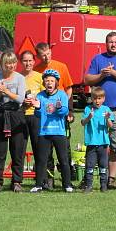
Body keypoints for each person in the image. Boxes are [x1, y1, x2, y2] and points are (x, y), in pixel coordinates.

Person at [85, 31, 116, 188]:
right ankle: (94, 178)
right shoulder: (98, 59)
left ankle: (111, 178)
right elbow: (87, 79)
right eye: (110, 42)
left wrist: (113, 72)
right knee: (97, 142)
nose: (113, 44)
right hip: (98, 109)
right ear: (106, 43)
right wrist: (101, 75)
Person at [34, 42, 75, 186]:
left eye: (48, 54)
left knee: (64, 150)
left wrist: (67, 109)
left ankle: (68, 180)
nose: (46, 58)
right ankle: (48, 179)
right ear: (38, 56)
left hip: (60, 110)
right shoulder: (37, 69)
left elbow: (69, 89)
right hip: (44, 113)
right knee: (46, 152)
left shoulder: (61, 66)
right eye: (43, 55)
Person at [0, 51, 26, 193]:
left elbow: (20, 99)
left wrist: (6, 91)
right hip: (1, 114)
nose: (11, 65)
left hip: (16, 114)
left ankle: (16, 181)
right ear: (2, 64)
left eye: (13, 62)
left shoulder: (20, 78)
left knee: (17, 149)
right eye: (8, 63)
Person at [31, 69, 72, 193]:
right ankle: (38, 185)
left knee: (63, 159)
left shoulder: (62, 95)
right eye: (47, 80)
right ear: (44, 82)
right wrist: (37, 108)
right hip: (44, 132)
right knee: (41, 160)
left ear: (56, 83)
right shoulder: (40, 96)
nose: (49, 83)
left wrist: (59, 108)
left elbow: (64, 112)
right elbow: (38, 114)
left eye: (52, 81)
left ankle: (67, 185)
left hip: (59, 132)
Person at [81, 86, 113, 192]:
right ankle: (88, 185)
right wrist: (89, 117)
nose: (97, 101)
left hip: (103, 143)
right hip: (91, 143)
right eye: (95, 98)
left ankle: (103, 186)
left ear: (103, 99)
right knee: (89, 165)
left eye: (99, 98)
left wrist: (107, 118)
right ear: (91, 98)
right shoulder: (88, 109)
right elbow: (82, 123)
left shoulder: (106, 110)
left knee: (103, 165)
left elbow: (111, 126)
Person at [19, 50, 44, 182]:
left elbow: (45, 98)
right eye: (25, 60)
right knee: (19, 149)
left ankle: (41, 179)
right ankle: (17, 181)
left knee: (38, 148)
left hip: (36, 116)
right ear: (21, 62)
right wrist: (22, 100)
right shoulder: (17, 77)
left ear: (34, 62)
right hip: (21, 116)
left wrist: (36, 101)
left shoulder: (40, 77)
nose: (28, 63)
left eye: (30, 61)